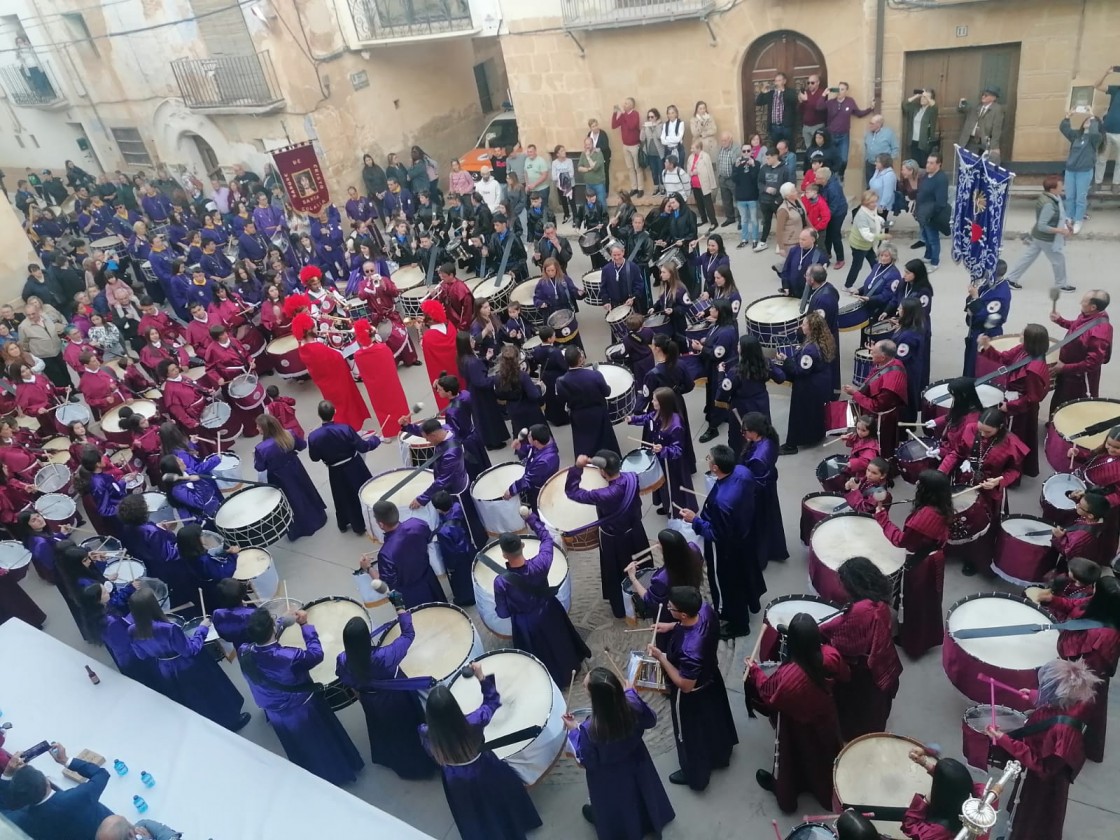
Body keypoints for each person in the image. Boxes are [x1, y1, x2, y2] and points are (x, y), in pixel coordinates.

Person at [239, 607, 364, 786]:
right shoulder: (289, 656)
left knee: (302, 748)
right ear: (272, 629)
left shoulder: (245, 651)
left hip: (275, 712)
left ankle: (312, 778)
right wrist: (305, 625)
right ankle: (338, 775)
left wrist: (283, 621)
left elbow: (266, 642)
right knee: (320, 743)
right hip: (301, 709)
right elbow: (316, 655)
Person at [421, 664, 542, 839]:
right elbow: (492, 701)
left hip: (456, 778)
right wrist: (481, 676)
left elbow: (431, 752)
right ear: (454, 707)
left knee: (473, 811)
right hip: (484, 767)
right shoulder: (474, 721)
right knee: (499, 800)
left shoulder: (425, 732)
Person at [745, 612, 850, 812]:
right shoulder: (830, 655)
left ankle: (786, 792)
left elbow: (769, 693)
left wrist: (755, 671)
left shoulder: (788, 675)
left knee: (792, 757)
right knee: (822, 755)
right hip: (825, 719)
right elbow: (845, 675)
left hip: (794, 725)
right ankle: (824, 790)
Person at [985, 658, 1097, 840]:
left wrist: (1004, 740)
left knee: (1034, 818)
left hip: (1045, 783)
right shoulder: (1075, 699)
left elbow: (1042, 766)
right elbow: (1053, 704)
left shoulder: (1062, 731)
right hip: (1045, 766)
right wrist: (1035, 696)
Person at [563, 666, 675, 838]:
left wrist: (573, 730)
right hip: (637, 761)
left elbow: (587, 761)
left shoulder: (589, 729)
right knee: (641, 793)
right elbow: (650, 720)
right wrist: (632, 693)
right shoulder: (632, 704)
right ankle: (649, 822)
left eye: (585, 687)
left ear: (596, 697)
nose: (584, 688)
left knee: (618, 805)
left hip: (609, 776)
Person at [644, 585, 736, 790]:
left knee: (691, 736)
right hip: (711, 678)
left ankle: (696, 774)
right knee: (714, 722)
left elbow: (685, 685)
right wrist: (671, 626)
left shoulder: (690, 648)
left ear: (683, 614)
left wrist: (661, 657)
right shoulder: (705, 610)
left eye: (671, 608)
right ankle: (720, 754)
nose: (668, 609)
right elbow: (688, 624)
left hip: (692, 696)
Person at [336, 603, 437, 780]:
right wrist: (400, 609)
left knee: (387, 731)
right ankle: (422, 765)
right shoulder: (384, 656)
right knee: (408, 729)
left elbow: (345, 680)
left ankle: (395, 761)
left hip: (370, 701)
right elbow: (408, 634)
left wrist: (362, 698)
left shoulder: (343, 659)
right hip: (397, 698)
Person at [128, 589, 250, 730]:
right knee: (210, 693)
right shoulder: (169, 629)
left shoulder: (132, 630)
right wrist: (202, 629)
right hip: (190, 666)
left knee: (191, 699)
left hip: (165, 669)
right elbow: (190, 649)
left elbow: (141, 655)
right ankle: (231, 721)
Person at [495, 509, 590, 686]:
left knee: (539, 652)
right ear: (522, 546)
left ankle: (547, 680)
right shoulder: (540, 564)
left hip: (525, 623)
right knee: (559, 641)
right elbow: (546, 538)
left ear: (503, 554)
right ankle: (569, 667)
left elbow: (502, 613)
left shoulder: (500, 582)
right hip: (549, 609)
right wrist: (530, 518)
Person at [680, 444, 763, 639]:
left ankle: (738, 623)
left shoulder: (721, 502)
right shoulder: (743, 472)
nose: (707, 460)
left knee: (729, 584)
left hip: (727, 549)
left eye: (709, 458)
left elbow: (716, 534)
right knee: (746, 575)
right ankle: (750, 603)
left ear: (716, 467)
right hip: (745, 534)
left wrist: (695, 520)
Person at [819, 556, 902, 738]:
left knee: (858, 713)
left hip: (864, 675)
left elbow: (846, 643)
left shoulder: (861, 611)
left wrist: (818, 630)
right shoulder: (879, 603)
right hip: (884, 661)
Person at [938, 407, 1028, 574]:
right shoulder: (971, 429)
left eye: (987, 432)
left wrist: (998, 481)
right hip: (964, 481)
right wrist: (940, 472)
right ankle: (953, 549)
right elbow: (957, 453)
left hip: (989, 490)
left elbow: (1014, 471)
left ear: (1000, 427)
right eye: (980, 430)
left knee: (982, 526)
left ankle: (974, 558)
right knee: (955, 518)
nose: (982, 435)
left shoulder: (1011, 443)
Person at [875, 469, 952, 657]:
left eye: (920, 484)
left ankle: (913, 643)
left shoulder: (924, 517)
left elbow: (902, 541)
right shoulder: (942, 507)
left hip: (921, 565)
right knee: (928, 602)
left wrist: (882, 518)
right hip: (934, 559)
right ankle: (926, 637)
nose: (917, 485)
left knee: (914, 603)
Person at [565, 452, 648, 618]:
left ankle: (621, 607)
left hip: (615, 539)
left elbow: (572, 492)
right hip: (636, 531)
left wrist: (578, 468)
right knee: (640, 568)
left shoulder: (604, 495)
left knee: (616, 572)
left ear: (602, 472)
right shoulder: (632, 477)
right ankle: (645, 599)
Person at [977, 323, 1051, 476]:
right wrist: (987, 346)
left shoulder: (1034, 369)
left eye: (1023, 334)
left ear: (1029, 340)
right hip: (1012, 400)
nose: (1020, 335)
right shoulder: (1023, 349)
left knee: (1014, 440)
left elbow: (1033, 397)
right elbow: (1004, 357)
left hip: (1020, 411)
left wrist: (1010, 407)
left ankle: (1011, 472)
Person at [403, 416, 486, 547]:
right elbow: (424, 431)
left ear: (434, 435)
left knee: (466, 520)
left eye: (427, 438)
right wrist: (407, 426)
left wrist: (422, 499)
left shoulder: (451, 454)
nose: (426, 441)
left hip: (457, 489)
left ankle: (475, 543)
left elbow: (442, 480)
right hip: (456, 480)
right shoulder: (446, 429)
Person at [7, 742, 112, 840]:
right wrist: (65, 760)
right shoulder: (79, 796)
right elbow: (101, 774)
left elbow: (4, 809)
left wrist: (7, 773)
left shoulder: (23, 823)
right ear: (47, 781)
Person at [290, 308, 371, 431]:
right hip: (336, 380)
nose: (316, 329)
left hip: (325, 382)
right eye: (313, 327)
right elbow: (337, 356)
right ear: (309, 330)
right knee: (344, 406)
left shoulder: (303, 348)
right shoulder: (316, 348)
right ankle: (352, 430)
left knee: (337, 406)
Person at [308, 400, 378, 536]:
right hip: (354, 465)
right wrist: (375, 441)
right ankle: (366, 520)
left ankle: (345, 523)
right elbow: (363, 446)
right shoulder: (345, 428)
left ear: (319, 415)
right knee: (361, 492)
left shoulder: (314, 436)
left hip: (335, 471)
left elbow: (314, 458)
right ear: (335, 411)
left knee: (342, 496)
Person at [253, 414, 327, 540]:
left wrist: (255, 458)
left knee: (291, 500)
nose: (257, 428)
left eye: (258, 426)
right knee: (305, 491)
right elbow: (302, 445)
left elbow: (260, 467)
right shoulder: (288, 434)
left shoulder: (261, 448)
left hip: (279, 476)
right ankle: (317, 517)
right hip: (295, 468)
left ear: (265, 428)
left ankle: (301, 527)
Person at [773, 313, 836, 455]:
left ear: (812, 328)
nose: (801, 326)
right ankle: (816, 435)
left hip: (808, 387)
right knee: (815, 413)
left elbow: (800, 371)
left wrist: (786, 360)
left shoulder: (810, 349)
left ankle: (792, 445)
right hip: (822, 381)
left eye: (804, 324)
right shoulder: (826, 339)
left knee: (800, 414)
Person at [366, 500, 446, 607]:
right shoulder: (417, 524)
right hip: (429, 581)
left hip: (409, 596)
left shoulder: (386, 554)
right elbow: (428, 538)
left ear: (381, 524)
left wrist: (368, 568)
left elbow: (385, 587)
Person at [1004, 175, 1075, 292]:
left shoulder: (1051, 197)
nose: (1062, 188)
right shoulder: (1049, 204)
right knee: (1058, 260)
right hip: (1047, 238)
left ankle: (1011, 279)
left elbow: (1060, 213)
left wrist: (1066, 222)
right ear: (1052, 189)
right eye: (1060, 186)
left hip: (1037, 236)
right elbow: (1043, 226)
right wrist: (1061, 230)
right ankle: (1061, 284)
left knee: (1028, 257)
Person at [843, 338, 909, 461]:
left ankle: (875, 466)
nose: (870, 353)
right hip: (878, 415)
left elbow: (877, 406)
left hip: (882, 420)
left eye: (874, 352)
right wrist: (876, 350)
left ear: (883, 357)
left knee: (881, 447)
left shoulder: (891, 382)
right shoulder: (892, 362)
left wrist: (855, 393)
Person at [627, 387, 689, 516]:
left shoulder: (676, 424)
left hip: (671, 465)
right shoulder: (657, 413)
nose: (652, 402)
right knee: (661, 486)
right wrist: (632, 419)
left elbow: (678, 450)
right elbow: (647, 418)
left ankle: (675, 511)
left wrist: (664, 449)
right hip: (660, 459)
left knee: (671, 488)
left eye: (655, 400)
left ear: (663, 403)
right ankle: (667, 506)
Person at [739, 411, 788, 567]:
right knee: (769, 519)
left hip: (758, 493)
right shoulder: (768, 440)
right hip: (767, 487)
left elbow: (756, 483)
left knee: (759, 524)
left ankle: (760, 557)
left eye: (745, 430)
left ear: (755, 431)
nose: (743, 432)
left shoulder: (759, 457)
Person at [1049, 289, 1112, 411]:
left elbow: (1092, 363)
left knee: (1074, 407)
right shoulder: (1089, 315)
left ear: (1093, 307)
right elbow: (1078, 327)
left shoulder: (1100, 334)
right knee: (1060, 399)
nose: (1080, 302)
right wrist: (1060, 320)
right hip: (1068, 371)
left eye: (1084, 301)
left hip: (1080, 379)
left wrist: (1064, 368)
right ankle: (1052, 426)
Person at [622, 528, 703, 624]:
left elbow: (649, 599)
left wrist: (632, 577)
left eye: (660, 543)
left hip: (671, 611)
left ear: (668, 550)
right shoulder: (694, 548)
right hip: (691, 594)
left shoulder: (661, 579)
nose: (657, 544)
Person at [556, 346, 620, 458]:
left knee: (583, 441)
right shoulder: (595, 375)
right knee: (604, 440)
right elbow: (607, 392)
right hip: (598, 412)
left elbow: (561, 399)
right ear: (581, 359)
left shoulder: (560, 381)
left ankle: (587, 464)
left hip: (578, 415)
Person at [902, 752, 982, 840]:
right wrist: (924, 763)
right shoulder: (979, 794)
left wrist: (925, 801)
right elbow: (955, 782)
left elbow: (909, 825)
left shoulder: (937, 830)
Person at [963, 259, 1013, 376]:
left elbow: (984, 316)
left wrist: (975, 297)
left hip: (986, 333)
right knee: (970, 361)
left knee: (978, 365)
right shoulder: (990, 283)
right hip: (975, 329)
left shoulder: (1000, 295)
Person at [1060, 111, 1102, 233]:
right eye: (1086, 119)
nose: (1088, 121)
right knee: (1070, 196)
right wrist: (1067, 117)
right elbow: (1064, 129)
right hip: (1070, 171)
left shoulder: (1095, 138)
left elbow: (1094, 132)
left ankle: (1078, 220)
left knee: (1080, 198)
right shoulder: (1076, 136)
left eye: (1091, 120)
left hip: (1084, 172)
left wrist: (1093, 115)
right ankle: (1068, 218)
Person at [506, 424, 559, 513]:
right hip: (535, 482)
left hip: (540, 490)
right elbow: (532, 449)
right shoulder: (544, 443)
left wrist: (511, 490)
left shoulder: (545, 461)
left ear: (536, 441)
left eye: (530, 436)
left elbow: (528, 480)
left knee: (538, 510)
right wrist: (520, 447)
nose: (527, 437)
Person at [846, 189, 891, 289]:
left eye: (875, 201)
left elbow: (875, 218)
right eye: (872, 202)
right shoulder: (861, 216)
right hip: (859, 245)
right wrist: (882, 236)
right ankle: (847, 285)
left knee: (875, 263)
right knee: (857, 266)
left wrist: (882, 222)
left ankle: (879, 281)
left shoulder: (870, 209)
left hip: (868, 245)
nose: (875, 204)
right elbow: (866, 235)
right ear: (865, 203)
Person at [958, 86, 1005, 163]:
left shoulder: (997, 109)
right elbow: (962, 109)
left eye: (986, 95)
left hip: (985, 141)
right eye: (983, 94)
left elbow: (997, 129)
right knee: (968, 162)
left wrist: (994, 147)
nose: (983, 97)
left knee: (986, 164)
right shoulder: (977, 106)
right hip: (971, 140)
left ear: (993, 98)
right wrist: (962, 104)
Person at [755, 72, 797, 145]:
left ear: (784, 81)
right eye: (776, 81)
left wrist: (783, 91)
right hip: (774, 127)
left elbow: (793, 100)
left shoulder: (790, 91)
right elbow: (758, 102)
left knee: (789, 146)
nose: (777, 82)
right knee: (776, 147)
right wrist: (762, 92)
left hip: (786, 126)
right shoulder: (771, 93)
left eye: (779, 80)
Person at [902, 88, 939, 167]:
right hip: (913, 141)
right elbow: (904, 105)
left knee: (924, 164)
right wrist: (916, 96)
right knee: (914, 164)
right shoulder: (916, 108)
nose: (923, 98)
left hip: (925, 143)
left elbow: (935, 106)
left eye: (925, 97)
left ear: (930, 99)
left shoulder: (931, 111)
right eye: (922, 97)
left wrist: (927, 97)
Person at [862, 116, 899, 188]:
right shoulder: (868, 134)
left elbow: (895, 149)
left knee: (883, 186)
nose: (869, 125)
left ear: (878, 124)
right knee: (870, 185)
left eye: (871, 123)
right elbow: (866, 146)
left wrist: (887, 161)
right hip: (870, 164)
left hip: (883, 166)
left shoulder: (889, 133)